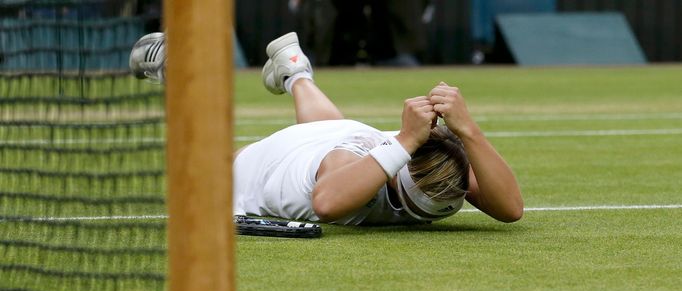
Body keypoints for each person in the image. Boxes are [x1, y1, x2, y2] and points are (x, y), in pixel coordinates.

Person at [129, 32, 523, 225]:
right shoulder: (346, 165)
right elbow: (327, 202)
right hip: (262, 168)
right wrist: (404, 139)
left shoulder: (440, 172)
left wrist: (469, 131)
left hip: (341, 132)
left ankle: (295, 71)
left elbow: (511, 210)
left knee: (332, 126)